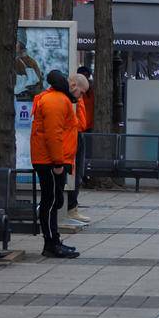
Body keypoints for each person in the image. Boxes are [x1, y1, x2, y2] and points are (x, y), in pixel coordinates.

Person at [31, 71, 80, 258]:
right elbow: (54, 134)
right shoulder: (56, 101)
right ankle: (51, 244)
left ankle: (53, 241)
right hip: (51, 161)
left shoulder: (52, 99)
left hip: (47, 159)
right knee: (50, 202)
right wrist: (58, 162)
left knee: (52, 201)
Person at [65, 73, 92, 227]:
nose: (82, 96)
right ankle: (71, 207)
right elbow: (81, 123)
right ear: (74, 85)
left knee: (78, 173)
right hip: (73, 136)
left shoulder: (74, 98)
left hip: (75, 136)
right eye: (81, 92)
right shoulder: (71, 100)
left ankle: (72, 206)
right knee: (75, 173)